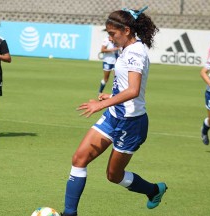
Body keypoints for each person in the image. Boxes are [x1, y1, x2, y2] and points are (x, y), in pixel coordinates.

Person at [61, 6, 167, 216]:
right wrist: (110, 96)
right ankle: (69, 213)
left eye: (112, 34)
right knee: (78, 159)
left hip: (131, 123)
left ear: (126, 30)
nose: (110, 38)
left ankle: (154, 190)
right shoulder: (126, 49)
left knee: (113, 175)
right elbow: (126, 84)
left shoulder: (135, 52)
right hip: (114, 115)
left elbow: (134, 90)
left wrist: (101, 104)